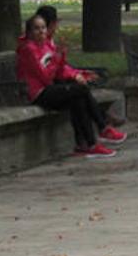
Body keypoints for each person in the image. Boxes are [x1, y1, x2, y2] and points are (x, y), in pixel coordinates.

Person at [16, 13, 124, 159]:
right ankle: (102, 127)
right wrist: (56, 59)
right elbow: (45, 78)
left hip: (51, 88)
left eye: (43, 28)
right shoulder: (28, 49)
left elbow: (58, 73)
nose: (41, 32)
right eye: (36, 29)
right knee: (81, 90)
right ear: (29, 32)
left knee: (77, 98)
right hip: (39, 93)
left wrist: (62, 58)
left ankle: (86, 144)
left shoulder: (47, 45)